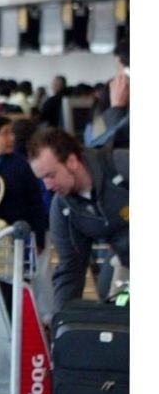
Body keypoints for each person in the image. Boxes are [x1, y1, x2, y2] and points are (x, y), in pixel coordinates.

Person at [28, 126, 130, 312]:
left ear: (72, 161)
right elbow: (70, 269)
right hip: (127, 265)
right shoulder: (63, 209)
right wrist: (62, 324)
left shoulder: (122, 165)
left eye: (51, 175)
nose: (48, 186)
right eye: (42, 179)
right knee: (117, 305)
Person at [0, 114, 50, 248]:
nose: (12, 138)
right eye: (5, 133)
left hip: (17, 233)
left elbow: (35, 201)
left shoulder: (20, 163)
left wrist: (39, 237)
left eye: (12, 133)